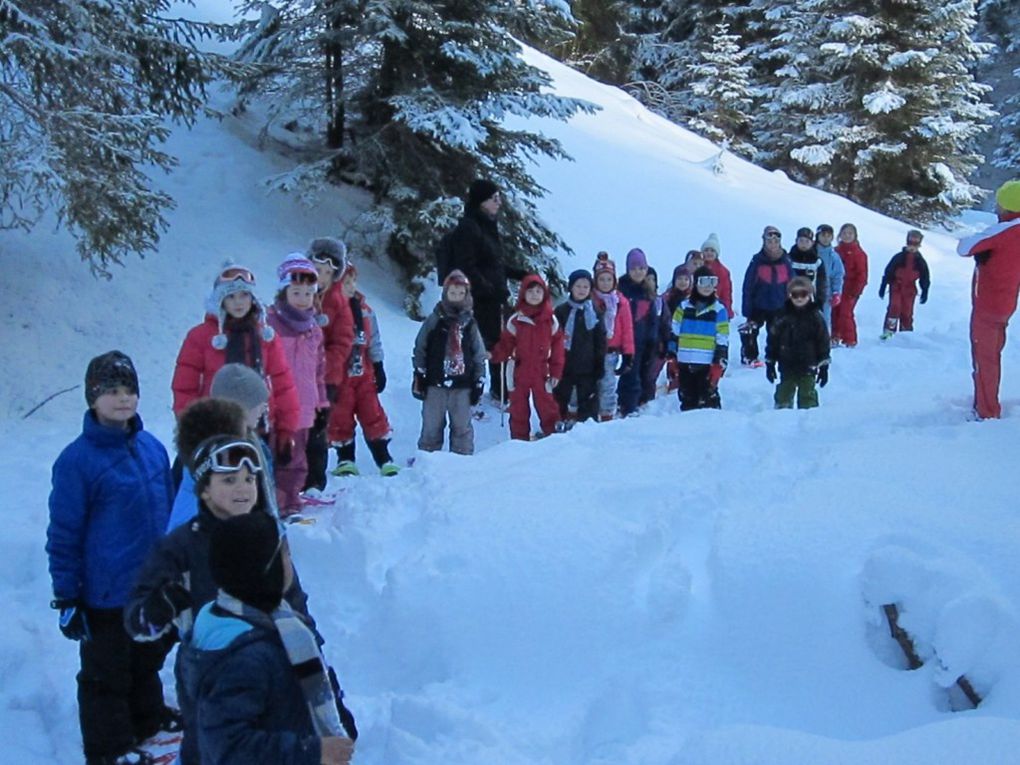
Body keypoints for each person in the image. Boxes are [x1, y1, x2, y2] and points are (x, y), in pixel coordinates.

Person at [125, 433, 332, 765]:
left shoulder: (269, 534)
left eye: (251, 479)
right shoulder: (181, 545)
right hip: (209, 674)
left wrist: (318, 661)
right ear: (204, 488)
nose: (244, 488)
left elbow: (294, 603)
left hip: (274, 670)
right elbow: (137, 621)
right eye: (230, 479)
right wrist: (163, 604)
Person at [46, 351, 177, 765]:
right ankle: (110, 749)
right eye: (112, 390)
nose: (123, 399)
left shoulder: (153, 448)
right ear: (92, 397)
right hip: (105, 594)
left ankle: (148, 719)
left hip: (151, 585)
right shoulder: (77, 461)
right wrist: (67, 596)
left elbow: (171, 511)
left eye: (130, 390)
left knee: (146, 659)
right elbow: (64, 533)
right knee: (106, 674)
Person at [179, 511, 356, 765]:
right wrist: (310, 751)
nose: (291, 561)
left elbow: (307, 681)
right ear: (262, 570)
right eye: (283, 554)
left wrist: (339, 720)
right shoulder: (245, 656)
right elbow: (229, 747)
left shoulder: (270, 619)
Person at [171, 262, 300, 476]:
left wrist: (287, 429)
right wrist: (191, 427)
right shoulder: (201, 337)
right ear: (220, 300)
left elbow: (282, 383)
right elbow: (185, 387)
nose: (238, 302)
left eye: (244, 295)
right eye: (231, 297)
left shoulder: (266, 337)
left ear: (253, 298)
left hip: (257, 427)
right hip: (213, 430)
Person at [441, 179, 528, 401]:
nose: (499, 202)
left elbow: (492, 264)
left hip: (492, 297)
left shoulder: (487, 224)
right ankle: (470, 390)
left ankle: (499, 391)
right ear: (481, 201)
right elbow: (466, 266)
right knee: (478, 344)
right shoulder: (469, 227)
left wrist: (519, 273)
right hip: (478, 300)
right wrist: (489, 289)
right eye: (494, 198)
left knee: (497, 342)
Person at [266, 254, 329, 516]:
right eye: (296, 292)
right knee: (273, 455)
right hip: (275, 407)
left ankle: (290, 501)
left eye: (307, 293)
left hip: (303, 407)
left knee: (296, 458)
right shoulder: (270, 325)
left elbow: (319, 370)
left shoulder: (314, 329)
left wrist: (322, 402)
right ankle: (269, 500)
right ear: (284, 291)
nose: (302, 298)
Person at [956, 180, 1020, 419]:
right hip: (1006, 303)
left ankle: (987, 411)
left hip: (987, 304)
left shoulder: (1005, 229)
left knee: (985, 359)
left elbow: (964, 247)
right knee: (993, 354)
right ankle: (985, 403)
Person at [328, 261, 398, 476]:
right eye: (345, 283)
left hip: (364, 375)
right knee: (341, 417)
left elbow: (374, 339)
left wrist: (378, 365)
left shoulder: (365, 311)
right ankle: (345, 459)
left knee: (373, 414)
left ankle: (384, 458)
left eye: (353, 282)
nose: (351, 287)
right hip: (340, 378)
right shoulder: (329, 312)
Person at [412, 270, 488, 454]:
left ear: (467, 295)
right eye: (452, 293)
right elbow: (420, 346)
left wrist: (479, 381)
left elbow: (479, 354)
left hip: (462, 385)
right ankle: (427, 461)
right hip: (435, 383)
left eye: (461, 294)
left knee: (462, 427)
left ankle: (461, 462)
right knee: (431, 426)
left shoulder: (470, 324)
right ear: (445, 293)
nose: (456, 298)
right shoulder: (435, 319)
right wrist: (419, 373)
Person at [490, 274, 565, 440]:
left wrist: (556, 371)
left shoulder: (550, 321)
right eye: (530, 291)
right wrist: (495, 355)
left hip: (542, 371)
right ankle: (519, 439)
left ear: (544, 294)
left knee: (547, 405)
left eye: (538, 291)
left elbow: (558, 348)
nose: (534, 295)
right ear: (523, 293)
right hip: (519, 369)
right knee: (518, 408)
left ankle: (553, 437)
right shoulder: (516, 320)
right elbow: (506, 344)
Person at [304, 238, 348, 491]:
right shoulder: (298, 295)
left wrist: (323, 367)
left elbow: (342, 342)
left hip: (325, 379)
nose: (319, 277)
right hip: (297, 377)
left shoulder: (338, 302)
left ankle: (315, 480)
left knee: (317, 430)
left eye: (325, 272)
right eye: (315, 270)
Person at [667, 266, 729, 410]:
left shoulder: (718, 310)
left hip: (706, 363)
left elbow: (722, 336)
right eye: (704, 282)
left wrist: (720, 357)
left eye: (712, 283)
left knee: (707, 396)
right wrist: (672, 354)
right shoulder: (683, 307)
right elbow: (674, 331)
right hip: (685, 361)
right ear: (695, 284)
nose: (708, 287)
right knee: (687, 396)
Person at [765, 277, 831, 409]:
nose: (799, 298)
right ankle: (780, 418)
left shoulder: (815, 316)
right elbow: (773, 339)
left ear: (810, 295)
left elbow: (823, 341)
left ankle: (809, 420)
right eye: (795, 295)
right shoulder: (782, 316)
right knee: (784, 393)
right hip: (787, 363)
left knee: (808, 395)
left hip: (808, 363)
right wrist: (770, 362)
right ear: (789, 295)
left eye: (803, 294)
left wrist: (824, 365)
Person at [553, 269, 607, 425]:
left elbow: (600, 340)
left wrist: (599, 363)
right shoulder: (561, 311)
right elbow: (554, 337)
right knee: (560, 396)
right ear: (571, 287)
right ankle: (557, 423)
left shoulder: (594, 312)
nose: (582, 290)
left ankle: (587, 426)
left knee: (588, 398)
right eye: (578, 286)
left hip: (587, 365)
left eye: (585, 287)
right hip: (564, 364)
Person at [740, 225, 793, 367]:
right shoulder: (757, 261)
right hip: (759, 305)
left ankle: (775, 354)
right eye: (769, 241)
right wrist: (747, 308)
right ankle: (749, 355)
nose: (773, 245)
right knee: (751, 331)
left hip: (779, 304)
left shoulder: (786, 261)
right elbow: (748, 286)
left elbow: (792, 284)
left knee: (777, 332)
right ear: (764, 241)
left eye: (776, 241)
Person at [591, 252, 634, 420]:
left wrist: (628, 353)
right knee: (591, 383)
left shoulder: (620, 302)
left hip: (611, 352)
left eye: (609, 279)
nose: (605, 283)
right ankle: (588, 412)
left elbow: (627, 330)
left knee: (608, 385)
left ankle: (607, 413)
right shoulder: (591, 300)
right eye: (601, 279)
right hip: (592, 351)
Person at [616, 248, 658, 416]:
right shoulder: (621, 288)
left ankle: (633, 402)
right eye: (634, 268)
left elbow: (652, 317)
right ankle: (627, 406)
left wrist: (653, 337)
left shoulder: (648, 291)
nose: (638, 272)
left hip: (642, 340)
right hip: (624, 341)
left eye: (641, 268)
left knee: (638, 373)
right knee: (627, 374)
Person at [879, 230, 931, 339]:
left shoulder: (920, 261)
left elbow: (925, 277)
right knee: (894, 307)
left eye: (915, 245)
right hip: (896, 286)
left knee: (907, 311)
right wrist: (883, 286)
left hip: (910, 289)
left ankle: (906, 334)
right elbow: (888, 271)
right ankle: (888, 333)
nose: (912, 248)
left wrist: (925, 291)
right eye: (910, 244)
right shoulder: (898, 257)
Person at [832, 223, 868, 347]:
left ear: (855, 236)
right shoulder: (835, 251)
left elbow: (862, 274)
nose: (847, 236)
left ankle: (850, 339)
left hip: (850, 289)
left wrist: (856, 290)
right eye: (844, 233)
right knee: (834, 312)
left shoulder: (859, 253)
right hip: (836, 288)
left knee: (845, 313)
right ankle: (834, 335)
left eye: (850, 233)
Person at [661, 264, 693, 392]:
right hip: (671, 333)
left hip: (688, 335)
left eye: (686, 279)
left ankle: (684, 381)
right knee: (672, 358)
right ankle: (672, 380)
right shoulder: (668, 297)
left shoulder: (692, 297)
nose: (683, 282)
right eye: (680, 279)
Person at [640, 266, 667, 403]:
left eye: (653, 279)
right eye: (647, 278)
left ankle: (648, 401)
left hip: (656, 344)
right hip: (639, 343)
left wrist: (665, 342)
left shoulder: (660, 301)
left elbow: (665, 323)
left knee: (650, 374)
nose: (650, 282)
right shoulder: (638, 300)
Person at [789, 227, 829, 316]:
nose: (804, 244)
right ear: (796, 241)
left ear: (812, 243)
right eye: (801, 241)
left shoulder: (817, 261)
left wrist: (820, 300)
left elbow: (822, 283)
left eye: (807, 241)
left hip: (810, 300)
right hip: (791, 300)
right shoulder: (788, 259)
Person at [813, 224, 846, 330]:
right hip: (810, 290)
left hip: (826, 293)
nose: (825, 238)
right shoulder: (811, 252)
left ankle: (824, 342)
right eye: (823, 235)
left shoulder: (834, 256)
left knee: (824, 319)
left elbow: (838, 275)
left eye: (828, 236)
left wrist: (837, 292)